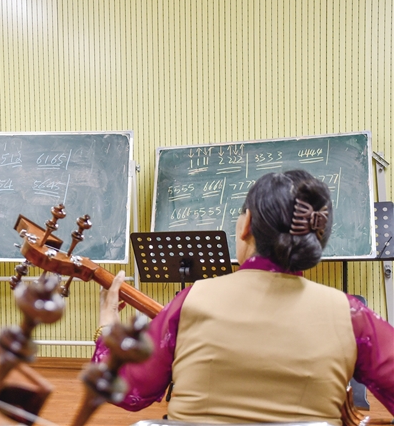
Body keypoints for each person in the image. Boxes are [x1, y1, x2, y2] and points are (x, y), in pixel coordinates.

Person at [94, 169, 394, 424]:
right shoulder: (351, 315)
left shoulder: (190, 300)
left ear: (246, 224)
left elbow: (126, 390)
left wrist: (108, 326)